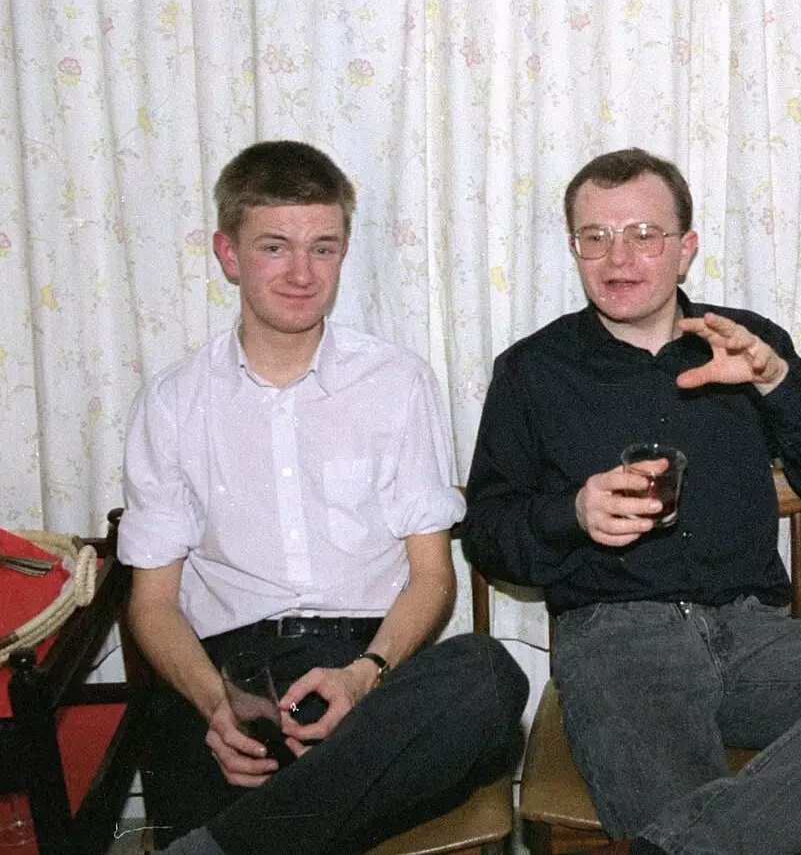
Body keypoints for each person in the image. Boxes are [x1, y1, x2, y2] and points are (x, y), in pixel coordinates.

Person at [462, 147, 801, 855]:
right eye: (595, 237)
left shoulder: (743, 343)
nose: (618, 257)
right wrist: (572, 513)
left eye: (644, 234)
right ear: (573, 248)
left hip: (753, 634)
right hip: (616, 638)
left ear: (685, 249)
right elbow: (487, 531)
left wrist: (777, 379)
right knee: (706, 808)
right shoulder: (532, 371)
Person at [120, 141, 527, 855]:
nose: (303, 274)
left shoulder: (397, 382)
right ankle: (289, 822)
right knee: (191, 742)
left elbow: (433, 577)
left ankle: (234, 843)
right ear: (228, 253)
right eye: (275, 247)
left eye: (324, 248)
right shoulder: (173, 401)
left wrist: (363, 679)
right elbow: (152, 603)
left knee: (490, 678)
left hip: (366, 666)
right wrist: (220, 705)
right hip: (230, 674)